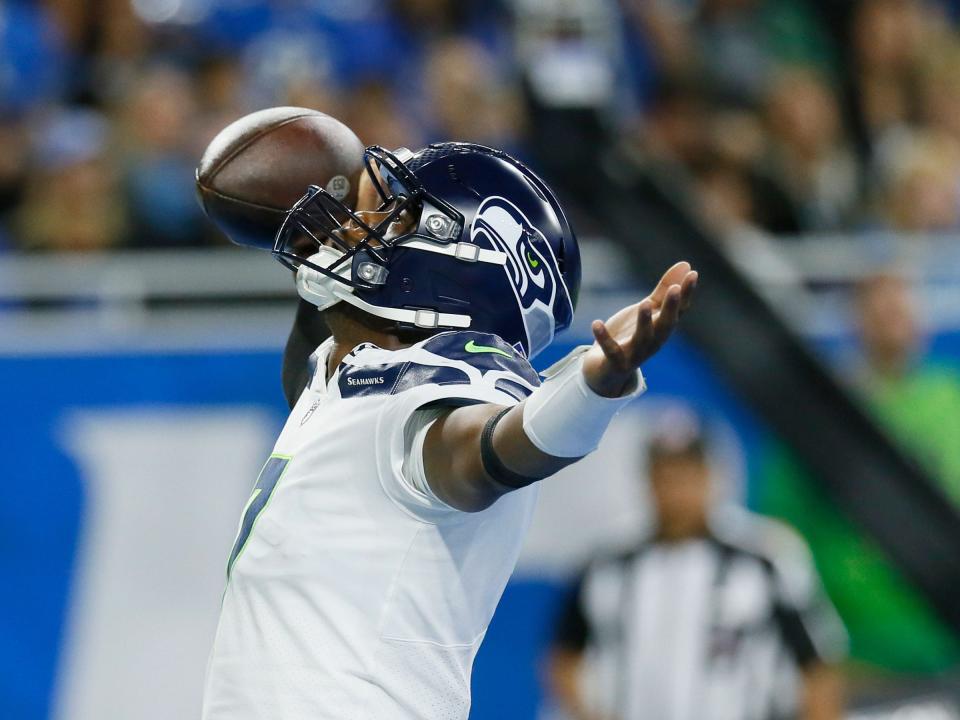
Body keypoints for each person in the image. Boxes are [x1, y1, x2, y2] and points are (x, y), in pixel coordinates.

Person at [200, 142, 698, 719]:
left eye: (398, 215)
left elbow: (486, 455)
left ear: (462, 261)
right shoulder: (352, 374)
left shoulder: (445, 381)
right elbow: (313, 367)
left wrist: (594, 387)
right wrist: (317, 211)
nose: (363, 228)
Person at [549, 411, 846, 720]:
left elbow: (818, 665)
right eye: (665, 476)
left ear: (708, 475)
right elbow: (565, 654)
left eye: (686, 476)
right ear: (647, 480)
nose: (676, 492)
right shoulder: (607, 563)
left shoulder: (765, 555)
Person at [761, 271, 960, 675]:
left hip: (947, 640)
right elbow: (783, 528)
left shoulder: (949, 397)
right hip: (856, 651)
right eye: (880, 312)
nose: (893, 321)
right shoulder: (823, 413)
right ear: (856, 324)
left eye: (901, 311)